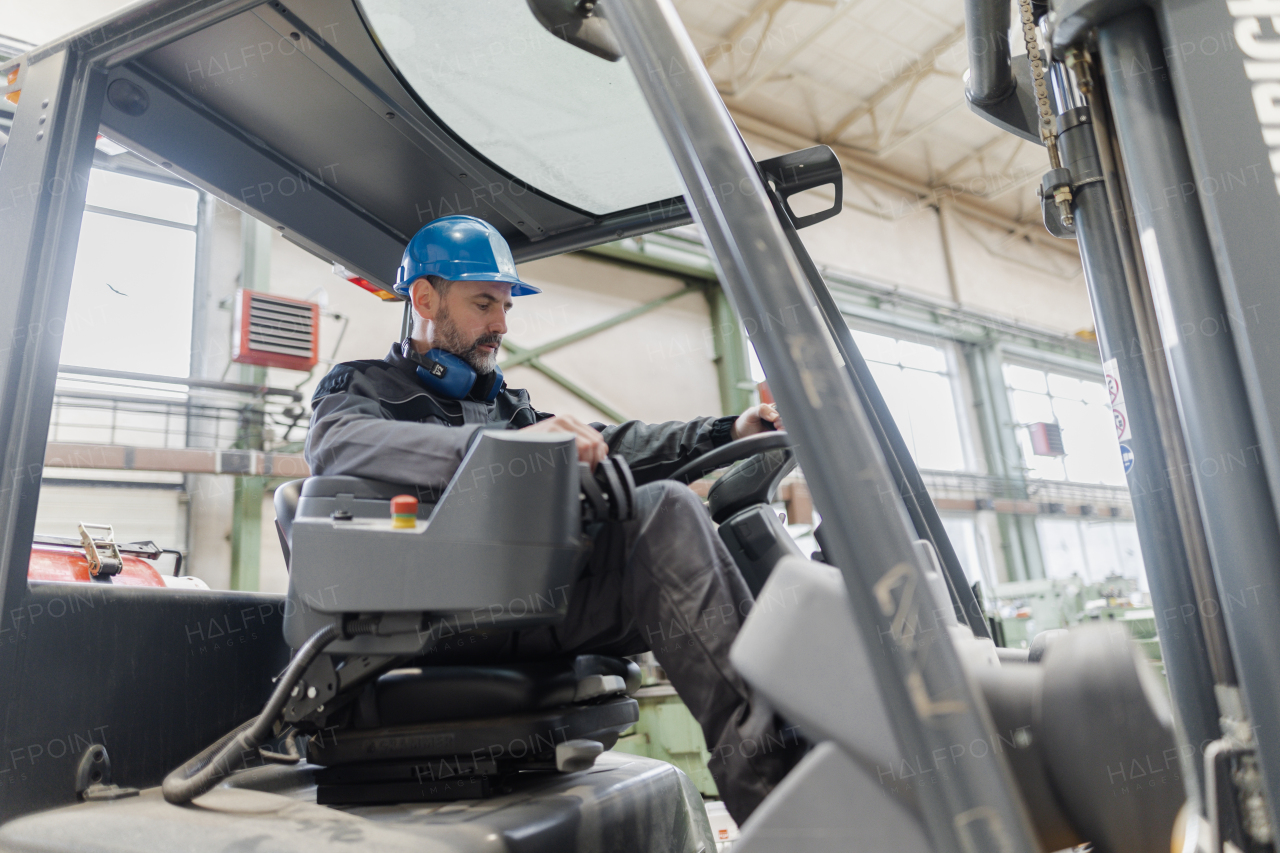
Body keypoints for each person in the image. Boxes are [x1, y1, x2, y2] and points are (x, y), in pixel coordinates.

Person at [305, 215, 803, 822]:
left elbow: (611, 443)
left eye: (506, 307)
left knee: (705, 528)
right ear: (425, 298)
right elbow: (339, 445)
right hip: (431, 613)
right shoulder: (361, 388)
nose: (500, 325)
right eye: (484, 303)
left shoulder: (502, 405)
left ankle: (814, 753)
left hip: (522, 598)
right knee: (666, 510)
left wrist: (730, 430)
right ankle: (781, 803)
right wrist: (503, 451)